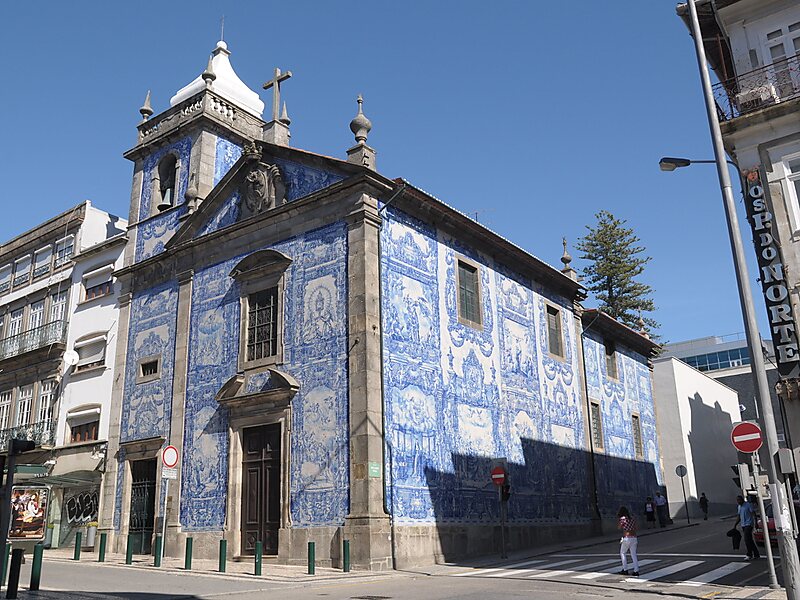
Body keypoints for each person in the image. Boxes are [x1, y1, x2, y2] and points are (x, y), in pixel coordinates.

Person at [734, 495, 760, 561]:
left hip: (749, 524)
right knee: (750, 540)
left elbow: (753, 514)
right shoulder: (739, 507)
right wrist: (735, 524)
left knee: (747, 539)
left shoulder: (748, 505)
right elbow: (739, 516)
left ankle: (749, 554)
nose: (738, 501)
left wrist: (756, 523)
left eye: (739, 500)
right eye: (737, 500)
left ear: (742, 499)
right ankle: (756, 554)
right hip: (743, 525)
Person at [617, 506, 639, 577]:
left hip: (627, 537)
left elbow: (619, 527)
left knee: (623, 553)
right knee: (633, 554)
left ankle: (625, 569)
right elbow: (635, 527)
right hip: (634, 537)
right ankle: (636, 570)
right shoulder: (632, 518)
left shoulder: (623, 519)